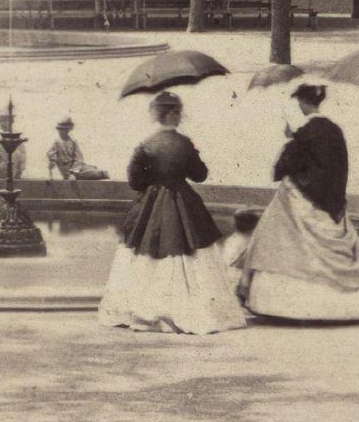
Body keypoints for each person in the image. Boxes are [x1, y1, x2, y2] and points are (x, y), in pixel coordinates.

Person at [98, 91, 247, 335]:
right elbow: (200, 175)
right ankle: (191, 310)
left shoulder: (145, 145)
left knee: (146, 251)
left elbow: (135, 181)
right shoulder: (184, 143)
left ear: (156, 115)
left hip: (151, 204)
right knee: (190, 250)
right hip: (183, 201)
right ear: (174, 115)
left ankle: (147, 308)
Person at [236, 84, 359, 321]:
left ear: (302, 102)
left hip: (300, 198)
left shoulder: (304, 132)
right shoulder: (334, 130)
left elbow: (282, 167)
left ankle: (283, 305)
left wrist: (290, 143)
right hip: (331, 203)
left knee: (276, 235)